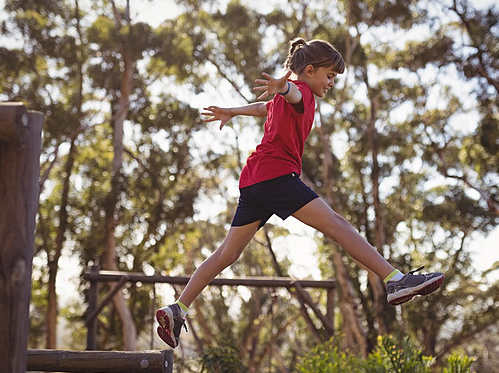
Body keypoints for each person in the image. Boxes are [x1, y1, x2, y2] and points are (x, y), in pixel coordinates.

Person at [156, 38, 444, 348]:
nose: (331, 83)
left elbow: (265, 107)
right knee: (339, 225)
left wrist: (233, 110)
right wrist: (283, 87)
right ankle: (396, 280)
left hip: (254, 179)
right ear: (309, 70)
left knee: (228, 253)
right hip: (276, 176)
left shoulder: (291, 94)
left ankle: (178, 308)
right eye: (329, 76)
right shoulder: (303, 92)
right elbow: (291, 94)